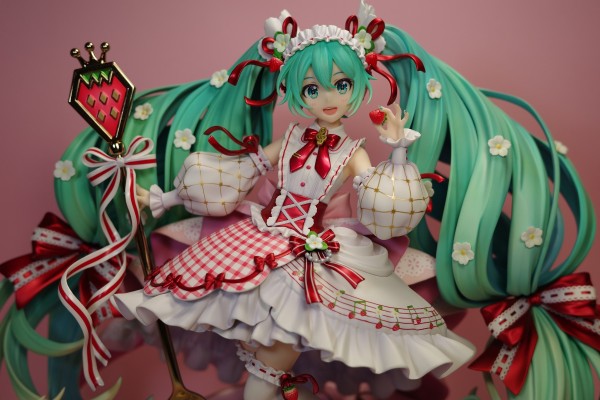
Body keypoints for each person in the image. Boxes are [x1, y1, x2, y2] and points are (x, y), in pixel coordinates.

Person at [114, 4, 475, 399]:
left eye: (341, 85)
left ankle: (269, 381)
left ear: (358, 85)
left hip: (311, 246)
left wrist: (399, 147)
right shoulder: (289, 139)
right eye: (312, 89)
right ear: (297, 93)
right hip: (263, 235)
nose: (328, 98)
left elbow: (382, 198)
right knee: (246, 313)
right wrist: (164, 199)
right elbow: (233, 174)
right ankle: (268, 379)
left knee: (288, 335)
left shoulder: (353, 152)